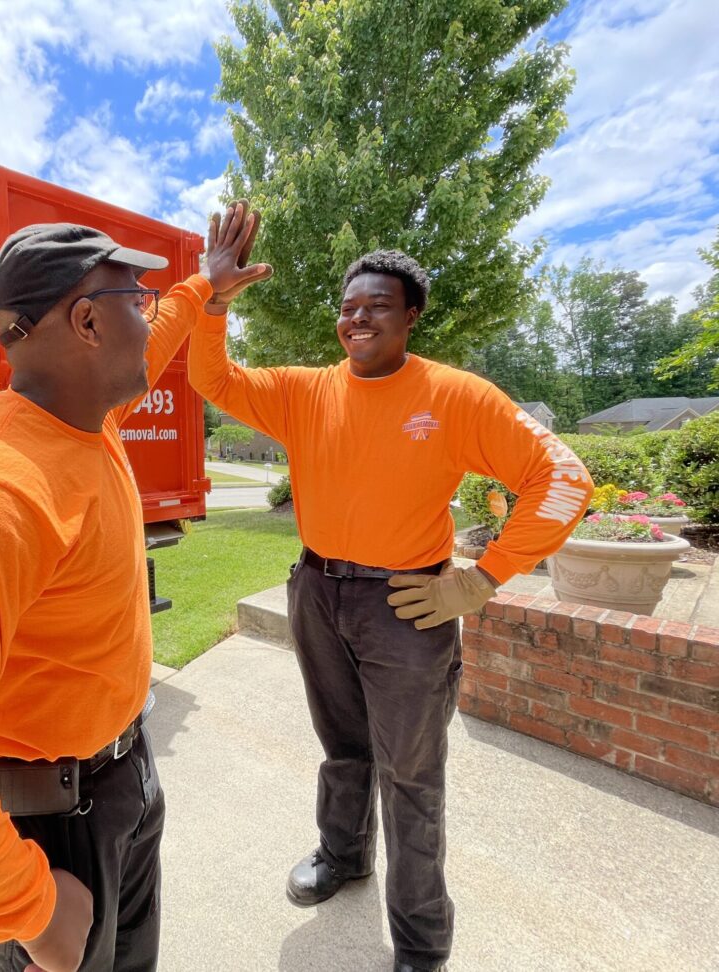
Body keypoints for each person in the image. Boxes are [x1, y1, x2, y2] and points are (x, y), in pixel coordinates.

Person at [0, 207, 271, 972]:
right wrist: (33, 912)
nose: (148, 319)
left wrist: (206, 284)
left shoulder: (87, 423)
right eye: (133, 301)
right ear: (86, 323)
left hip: (121, 782)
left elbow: (169, 329)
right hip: (50, 830)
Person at [188, 244, 593, 972]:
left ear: (410, 317)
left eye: (376, 305)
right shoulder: (304, 390)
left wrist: (482, 577)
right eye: (348, 307)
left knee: (410, 772)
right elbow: (210, 376)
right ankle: (343, 857)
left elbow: (562, 478)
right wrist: (214, 303)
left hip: (409, 606)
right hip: (316, 592)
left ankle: (421, 939)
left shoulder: (457, 396)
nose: (357, 317)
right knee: (343, 747)